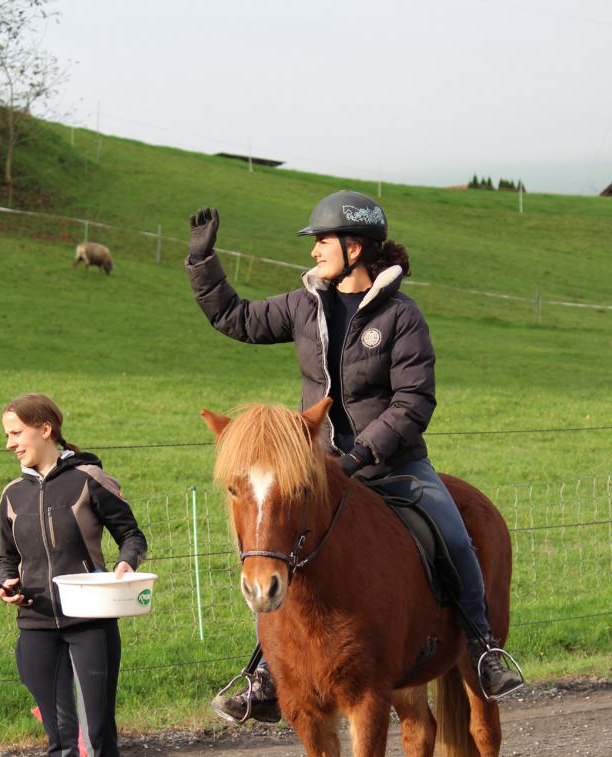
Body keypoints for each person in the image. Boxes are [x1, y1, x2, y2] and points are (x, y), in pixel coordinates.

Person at [186, 191, 524, 722]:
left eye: (323, 240)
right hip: (318, 470)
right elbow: (236, 318)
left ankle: (483, 649)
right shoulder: (303, 305)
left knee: (454, 532)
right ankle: (264, 675)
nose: (314, 250)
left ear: (356, 247)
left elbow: (414, 401)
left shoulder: (401, 316)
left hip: (395, 465)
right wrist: (202, 262)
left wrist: (362, 452)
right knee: (274, 545)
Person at [0, 393, 148, 757]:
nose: (9, 444)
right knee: (58, 736)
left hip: (90, 621)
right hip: (36, 624)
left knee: (97, 731)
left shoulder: (88, 480)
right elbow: (5, 559)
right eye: (7, 435)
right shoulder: (12, 495)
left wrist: (126, 563)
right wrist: (5, 584)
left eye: (15, 433)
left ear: (45, 429)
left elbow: (132, 536)